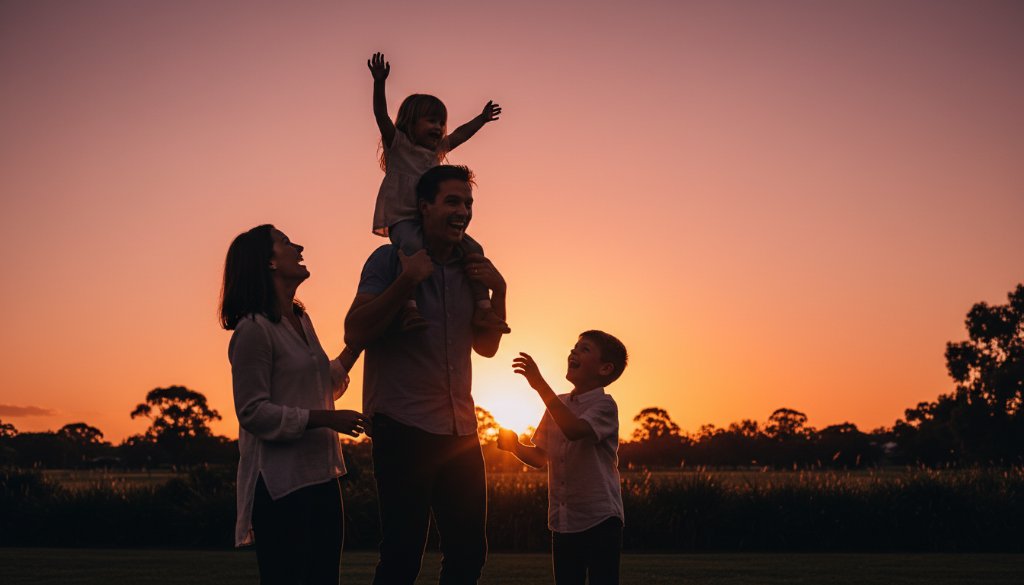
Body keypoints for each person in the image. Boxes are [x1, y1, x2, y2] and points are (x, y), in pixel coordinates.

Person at [344, 165, 508, 585]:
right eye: (453, 201)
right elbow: (355, 330)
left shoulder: (472, 268)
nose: (463, 211)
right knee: (402, 553)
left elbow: (486, 347)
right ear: (423, 207)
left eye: (468, 203)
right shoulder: (387, 260)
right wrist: (407, 282)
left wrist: (501, 291)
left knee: (469, 551)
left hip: (460, 431)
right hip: (403, 427)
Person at [220, 224, 367, 585]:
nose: (299, 246)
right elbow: (253, 412)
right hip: (281, 485)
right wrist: (326, 419)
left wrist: (359, 344)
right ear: (268, 261)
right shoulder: (253, 329)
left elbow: (321, 383)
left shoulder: (301, 319)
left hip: (322, 477)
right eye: (286, 242)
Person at [366, 51, 508, 333]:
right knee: (413, 250)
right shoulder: (399, 145)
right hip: (404, 218)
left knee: (474, 249)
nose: (437, 127)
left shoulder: (437, 152)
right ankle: (410, 307)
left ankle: (483, 308)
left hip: (432, 221)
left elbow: (460, 134)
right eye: (429, 121)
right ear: (409, 123)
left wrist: (481, 119)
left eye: (439, 122)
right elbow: (381, 115)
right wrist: (379, 82)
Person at [497, 331, 628, 585]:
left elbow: (575, 430)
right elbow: (539, 457)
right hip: (564, 521)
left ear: (605, 368)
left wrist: (539, 385)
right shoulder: (558, 404)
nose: (573, 352)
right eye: (574, 347)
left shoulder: (605, 406)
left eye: (585, 349)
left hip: (600, 518)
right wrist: (515, 446)